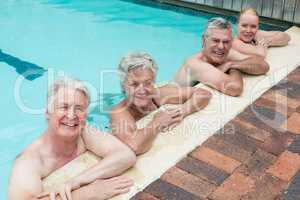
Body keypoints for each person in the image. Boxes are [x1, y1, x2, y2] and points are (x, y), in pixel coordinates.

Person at [8, 78, 136, 200]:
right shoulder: (28, 161)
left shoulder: (83, 132)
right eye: (64, 107)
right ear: (48, 113)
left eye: (79, 109)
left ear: (86, 115)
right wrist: (87, 193)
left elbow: (126, 155)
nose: (71, 115)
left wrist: (77, 181)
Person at [110, 52, 211, 155]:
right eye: (134, 84)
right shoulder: (119, 112)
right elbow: (133, 146)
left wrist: (183, 111)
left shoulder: (158, 94)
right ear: (123, 86)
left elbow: (203, 94)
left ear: (154, 81)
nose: (142, 90)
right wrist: (157, 122)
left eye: (147, 83)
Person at [173, 17, 269, 97]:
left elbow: (263, 66)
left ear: (231, 42)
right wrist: (236, 68)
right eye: (215, 40)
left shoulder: (227, 54)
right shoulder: (195, 64)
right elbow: (234, 88)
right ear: (203, 40)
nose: (221, 47)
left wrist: (232, 65)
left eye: (226, 42)